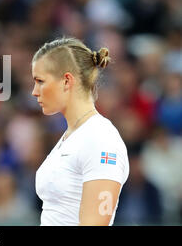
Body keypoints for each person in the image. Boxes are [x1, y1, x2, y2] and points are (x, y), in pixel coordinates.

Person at [31, 37, 129, 226]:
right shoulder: (71, 136)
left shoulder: (101, 139)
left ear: (67, 81)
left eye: (40, 81)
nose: (34, 91)